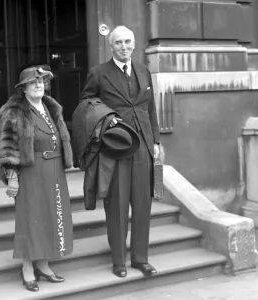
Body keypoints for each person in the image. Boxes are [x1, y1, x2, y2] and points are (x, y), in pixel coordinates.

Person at [81, 26, 165, 278]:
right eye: (118, 42)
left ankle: (140, 258)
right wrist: (106, 120)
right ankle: (118, 261)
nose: (124, 46)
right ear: (111, 46)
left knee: (142, 204)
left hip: (143, 147)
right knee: (117, 205)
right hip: (114, 146)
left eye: (128, 41)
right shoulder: (98, 73)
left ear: (134, 43)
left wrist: (157, 141)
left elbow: (150, 109)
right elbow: (87, 104)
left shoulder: (143, 70)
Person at [0, 65, 74, 292]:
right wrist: (12, 177)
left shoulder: (50, 108)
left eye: (42, 82)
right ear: (23, 89)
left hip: (54, 171)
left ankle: (43, 265)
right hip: (30, 172)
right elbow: (7, 148)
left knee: (49, 216)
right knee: (30, 219)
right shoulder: (14, 112)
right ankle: (27, 268)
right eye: (34, 82)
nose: (39, 85)